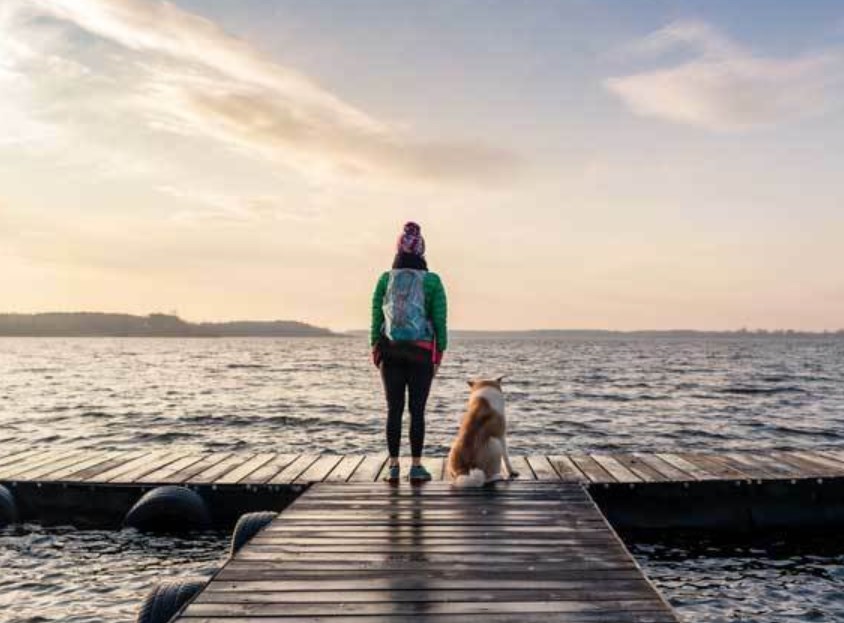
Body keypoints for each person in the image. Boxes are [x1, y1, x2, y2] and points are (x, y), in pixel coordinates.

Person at [370, 222, 447, 483]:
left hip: (390, 351)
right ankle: (415, 466)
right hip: (421, 353)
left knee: (393, 410)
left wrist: (375, 347)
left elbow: (375, 315)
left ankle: (392, 466)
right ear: (422, 250)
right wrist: (439, 353)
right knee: (417, 411)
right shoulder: (433, 281)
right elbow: (440, 320)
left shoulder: (385, 279)